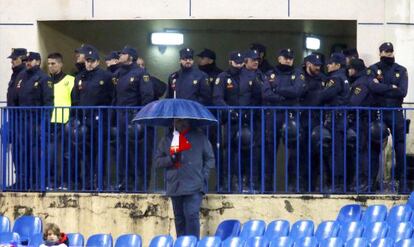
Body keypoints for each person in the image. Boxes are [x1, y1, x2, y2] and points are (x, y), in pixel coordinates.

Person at [154, 118, 214, 238]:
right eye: (177, 121)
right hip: (175, 185)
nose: (180, 124)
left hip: (194, 184)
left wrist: (204, 176)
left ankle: (192, 243)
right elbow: (157, 161)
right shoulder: (167, 140)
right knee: (179, 218)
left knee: (191, 215)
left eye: (182, 121)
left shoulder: (199, 138)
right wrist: (170, 159)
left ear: (188, 121)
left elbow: (210, 159)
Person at [71, 47, 114, 190]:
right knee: (86, 153)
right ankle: (89, 182)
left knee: (100, 152)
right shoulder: (80, 77)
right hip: (84, 121)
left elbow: (112, 98)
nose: (89, 64)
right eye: (87, 61)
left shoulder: (106, 76)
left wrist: (109, 118)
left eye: (92, 61)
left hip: (100, 121)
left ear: (97, 61)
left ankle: (100, 181)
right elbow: (75, 99)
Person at [262, 48, 304, 192]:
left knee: (294, 149)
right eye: (285, 57)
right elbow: (266, 93)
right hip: (274, 115)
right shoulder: (270, 74)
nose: (288, 60)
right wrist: (284, 97)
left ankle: (293, 185)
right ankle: (267, 186)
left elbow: (297, 91)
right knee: (269, 150)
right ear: (279, 58)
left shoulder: (297, 73)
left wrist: (278, 90)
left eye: (290, 58)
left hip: (291, 114)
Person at [112, 46, 154, 191]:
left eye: (122, 54)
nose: (120, 56)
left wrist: (141, 116)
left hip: (134, 116)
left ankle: (140, 183)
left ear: (130, 57)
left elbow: (147, 96)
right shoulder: (118, 74)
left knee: (138, 152)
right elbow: (115, 97)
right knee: (123, 152)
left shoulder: (141, 73)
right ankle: (126, 182)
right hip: (121, 116)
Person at [368, 42, 408, 192]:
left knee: (400, 147)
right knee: (375, 146)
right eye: (385, 51)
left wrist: (381, 87)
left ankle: (402, 183)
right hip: (379, 112)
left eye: (390, 51)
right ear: (380, 53)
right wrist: (391, 87)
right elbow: (372, 87)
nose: (388, 54)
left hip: (396, 111)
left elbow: (402, 92)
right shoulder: (373, 69)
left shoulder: (401, 70)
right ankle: (372, 183)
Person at [13, 51, 53, 190]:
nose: (28, 63)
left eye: (31, 60)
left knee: (35, 153)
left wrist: (44, 124)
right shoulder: (22, 76)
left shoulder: (44, 78)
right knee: (21, 152)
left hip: (36, 121)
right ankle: (22, 181)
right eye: (27, 60)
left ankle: (37, 182)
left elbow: (48, 103)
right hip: (22, 121)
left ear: (38, 61)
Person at [318, 52, 349, 192]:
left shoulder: (336, 78)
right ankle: (337, 182)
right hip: (340, 118)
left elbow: (326, 95)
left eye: (331, 63)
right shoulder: (344, 77)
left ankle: (336, 183)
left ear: (338, 65)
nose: (328, 65)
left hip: (336, 119)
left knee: (335, 152)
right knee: (338, 151)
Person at [347, 58, 375, 192]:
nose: (349, 70)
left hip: (362, 121)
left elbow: (354, 102)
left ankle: (363, 182)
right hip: (362, 120)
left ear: (355, 69)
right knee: (361, 152)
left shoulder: (361, 83)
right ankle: (361, 182)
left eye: (350, 68)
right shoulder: (363, 80)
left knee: (362, 152)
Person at [47, 52, 75, 189]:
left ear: (61, 64)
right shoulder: (46, 81)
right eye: (49, 64)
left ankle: (66, 182)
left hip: (65, 122)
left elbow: (75, 101)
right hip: (50, 122)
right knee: (51, 154)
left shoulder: (70, 80)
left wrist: (72, 119)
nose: (51, 66)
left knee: (66, 154)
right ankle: (52, 181)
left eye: (53, 63)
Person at [299, 53, 325, 191]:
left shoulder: (322, 79)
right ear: (308, 64)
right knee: (301, 154)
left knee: (316, 154)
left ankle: (313, 185)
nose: (318, 67)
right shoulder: (299, 76)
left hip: (316, 120)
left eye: (319, 65)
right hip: (302, 120)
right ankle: (301, 185)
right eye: (315, 65)